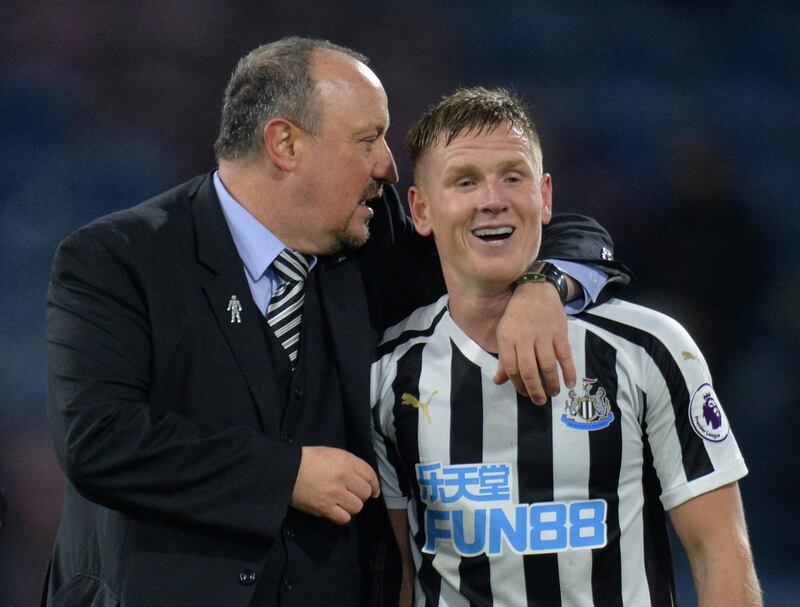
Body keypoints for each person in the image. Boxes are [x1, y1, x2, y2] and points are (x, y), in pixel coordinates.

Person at [43, 38, 628, 607]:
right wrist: (284, 474)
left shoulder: (373, 240)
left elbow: (568, 234)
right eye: (369, 139)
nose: (389, 166)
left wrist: (541, 287)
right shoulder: (119, 258)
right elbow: (98, 441)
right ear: (285, 144)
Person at [371, 87, 761, 606]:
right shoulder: (389, 371)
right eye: (465, 181)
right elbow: (399, 575)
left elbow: (719, 552)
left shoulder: (647, 349)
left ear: (545, 196)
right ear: (420, 209)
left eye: (513, 177)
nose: (493, 199)